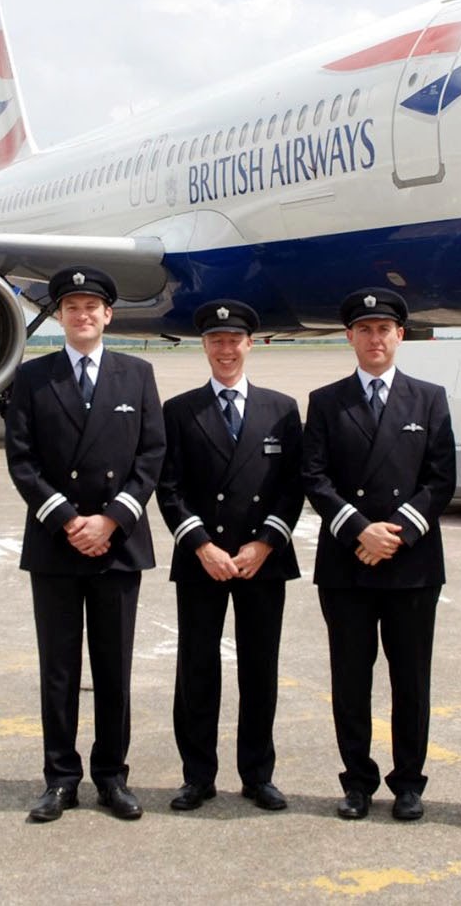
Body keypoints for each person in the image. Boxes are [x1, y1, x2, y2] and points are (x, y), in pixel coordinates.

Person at [4, 265, 165, 823]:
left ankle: (112, 776)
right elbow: (21, 459)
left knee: (114, 667)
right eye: (72, 307)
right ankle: (60, 779)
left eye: (91, 307)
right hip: (57, 543)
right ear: (61, 317)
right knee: (59, 669)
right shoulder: (33, 378)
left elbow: (151, 454)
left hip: (117, 545)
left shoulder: (137, 375)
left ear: (108, 315)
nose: (82, 315)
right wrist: (70, 520)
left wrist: (112, 520)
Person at [300, 288, 455, 822]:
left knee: (411, 679)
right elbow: (314, 477)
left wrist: (397, 533)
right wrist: (360, 531)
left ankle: (409, 782)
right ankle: (358, 781)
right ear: (349, 337)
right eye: (364, 330)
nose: (374, 339)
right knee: (351, 680)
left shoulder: (429, 398)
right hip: (348, 564)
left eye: (383, 329)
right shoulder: (327, 400)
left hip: (412, 564)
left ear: (399, 335)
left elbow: (440, 478)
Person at [156, 299, 304, 813]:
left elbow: (293, 486)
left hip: (262, 559)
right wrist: (202, 545)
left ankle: (258, 775)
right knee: (197, 671)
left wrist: (265, 543)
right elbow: (169, 488)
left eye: (234, 340)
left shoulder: (281, 409)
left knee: (259, 670)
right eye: (216, 341)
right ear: (204, 346)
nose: (226, 349)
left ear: (250, 344)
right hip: (204, 559)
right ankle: (197, 776)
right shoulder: (180, 410)